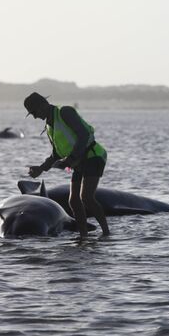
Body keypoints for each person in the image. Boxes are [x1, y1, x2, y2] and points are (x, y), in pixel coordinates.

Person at [23, 92, 110, 238]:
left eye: (34, 112)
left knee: (86, 197)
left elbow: (84, 134)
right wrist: (41, 168)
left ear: (43, 104)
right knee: (73, 200)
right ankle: (83, 236)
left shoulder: (65, 112)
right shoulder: (49, 126)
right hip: (78, 162)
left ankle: (106, 233)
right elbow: (56, 154)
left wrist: (71, 158)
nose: (35, 117)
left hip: (93, 156)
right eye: (31, 114)